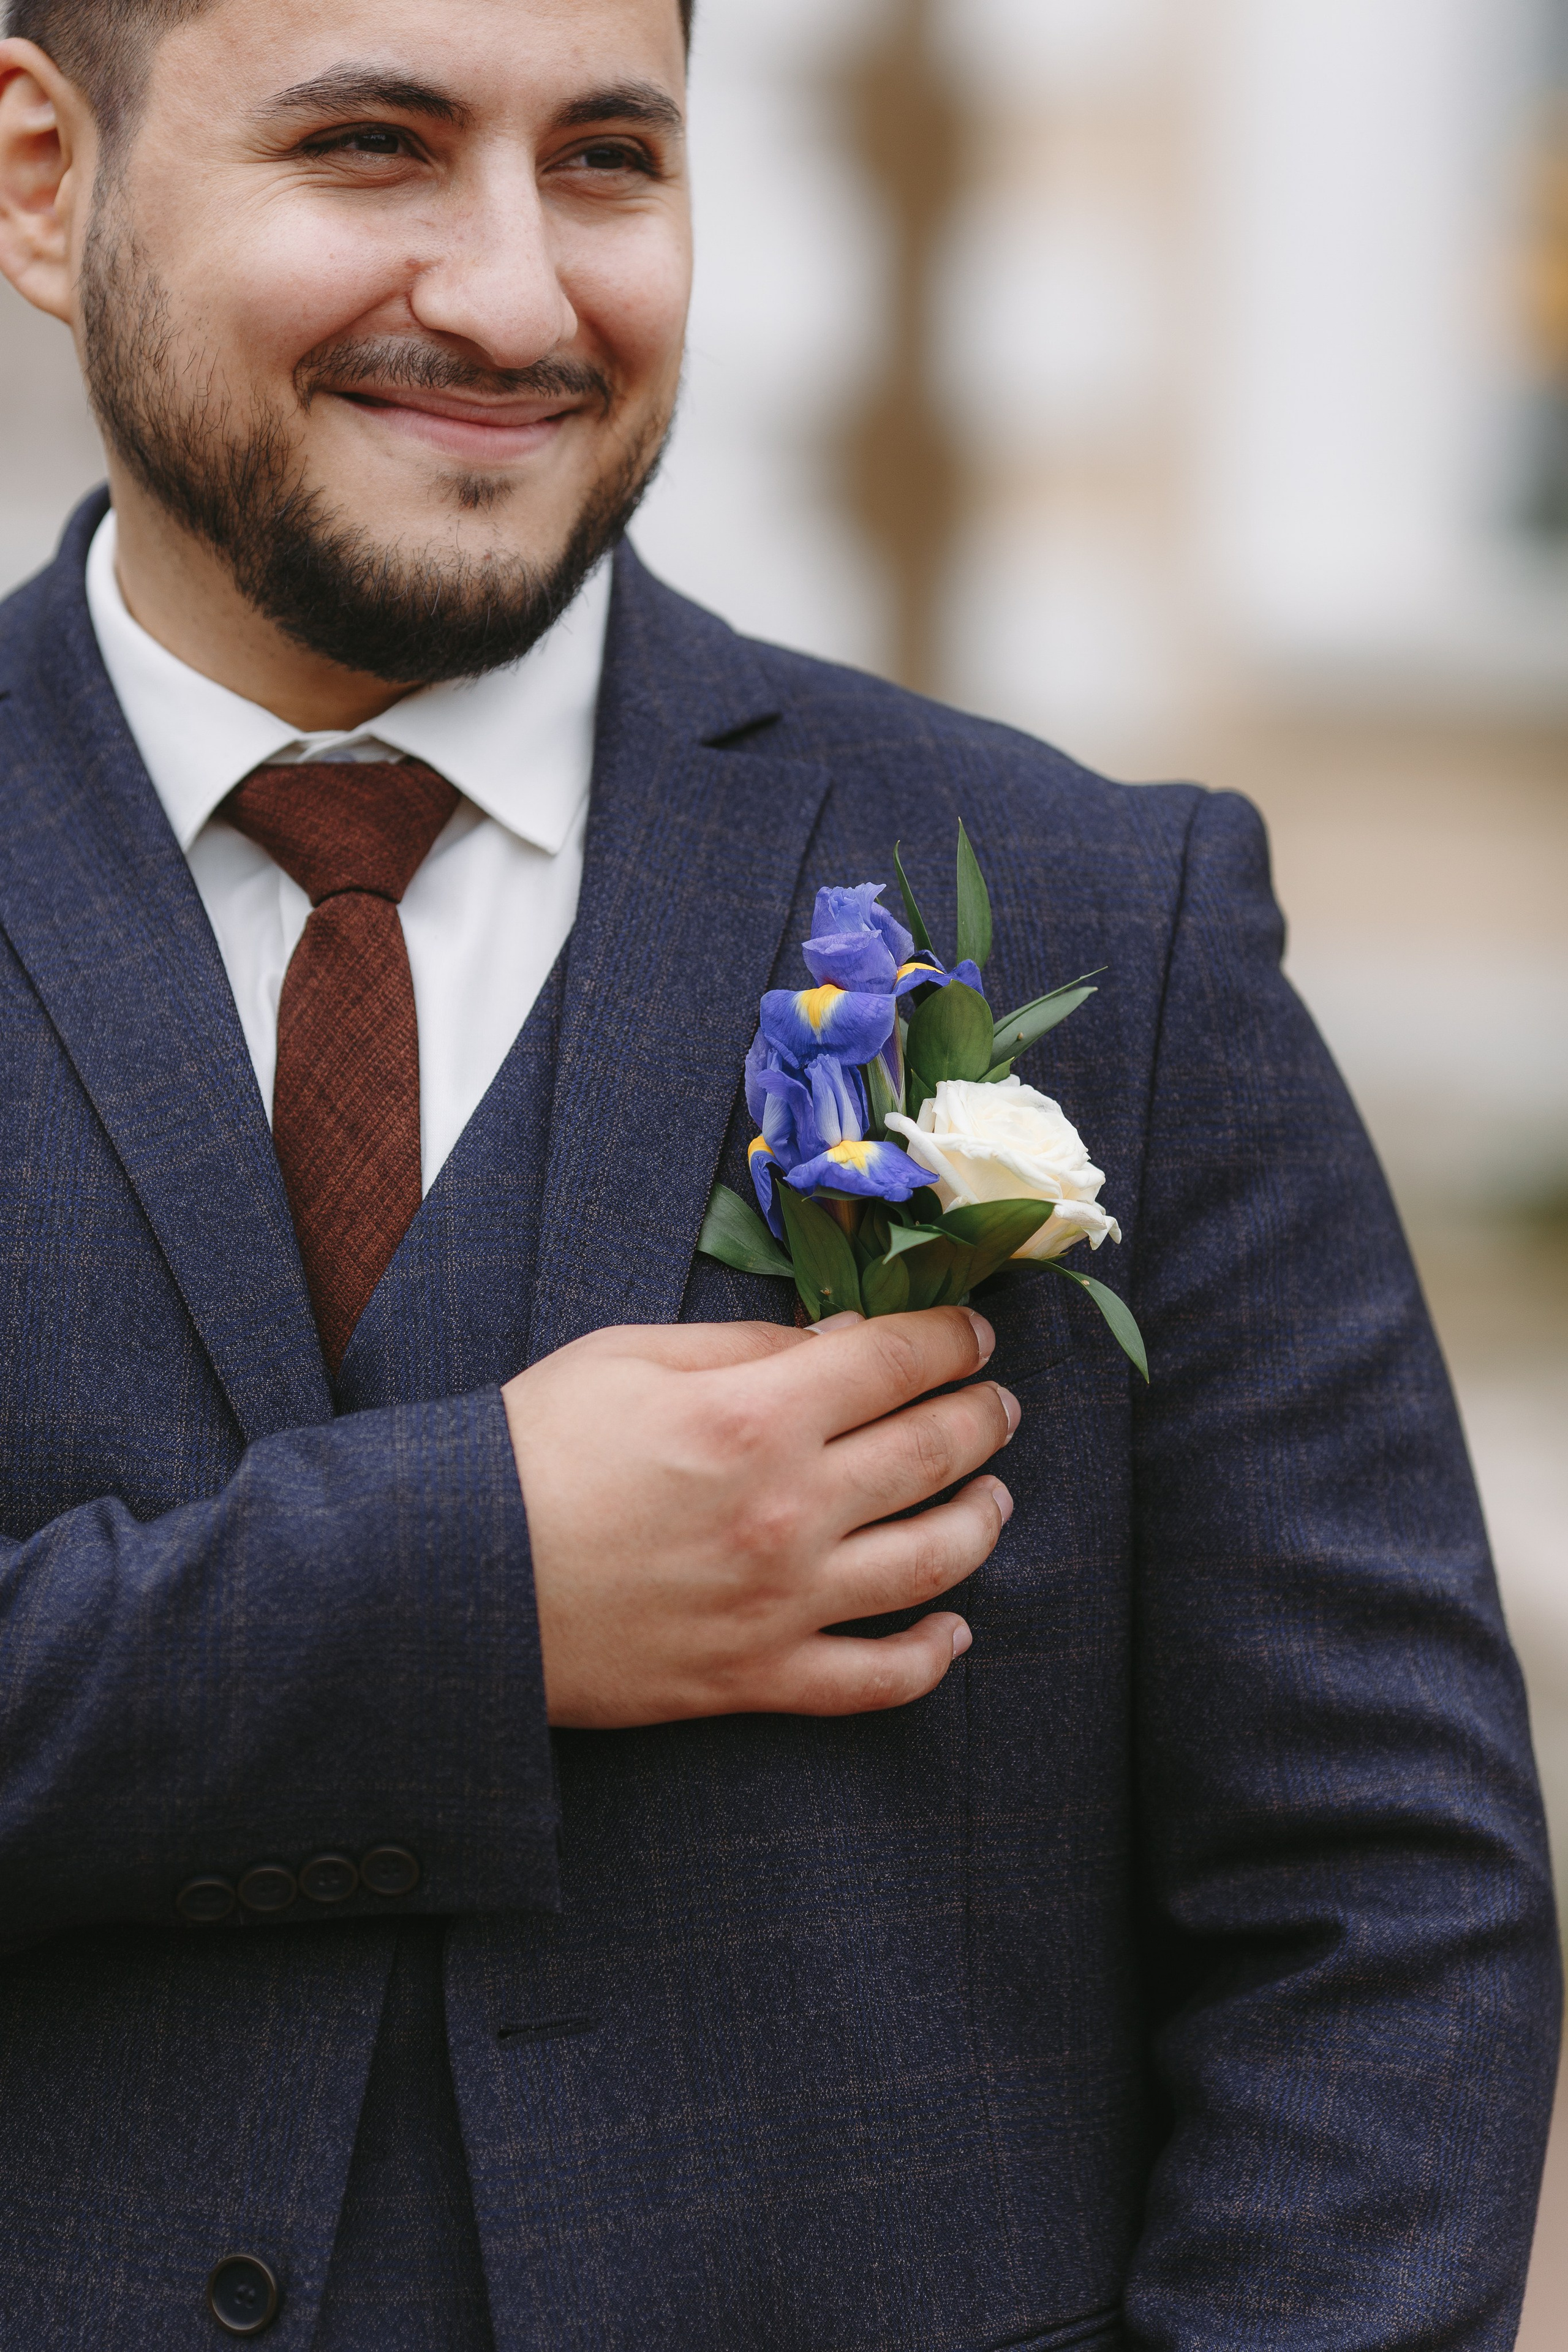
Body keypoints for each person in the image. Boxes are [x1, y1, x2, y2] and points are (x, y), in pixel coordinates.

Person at [0, 0, 1557, 2345]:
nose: (523, 296)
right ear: (45, 178)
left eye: (612, 159)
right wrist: (482, 1580)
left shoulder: (1091, 913)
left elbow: (1383, 1915)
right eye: (374, 145)